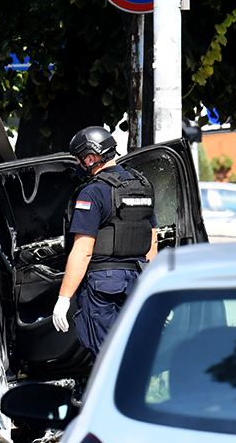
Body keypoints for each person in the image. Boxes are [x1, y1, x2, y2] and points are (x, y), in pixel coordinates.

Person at [51, 126, 157, 354]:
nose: (78, 164)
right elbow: (152, 241)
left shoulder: (93, 192)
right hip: (138, 281)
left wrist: (64, 298)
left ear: (91, 158)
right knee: (134, 352)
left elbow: (83, 251)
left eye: (79, 159)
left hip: (103, 287)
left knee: (106, 357)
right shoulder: (143, 185)